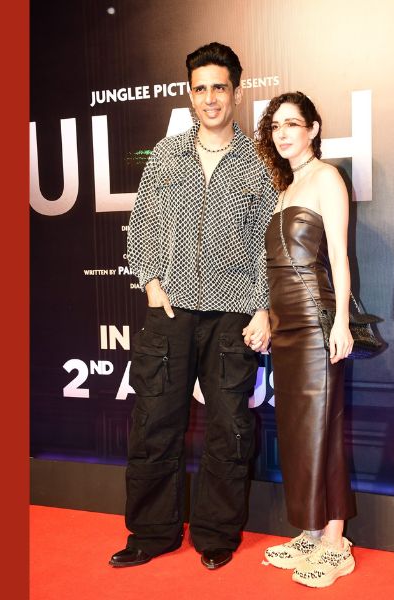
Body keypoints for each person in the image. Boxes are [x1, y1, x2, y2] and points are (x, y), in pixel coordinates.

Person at [109, 42, 277, 571]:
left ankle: (216, 533)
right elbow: (142, 223)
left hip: (233, 313)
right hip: (170, 310)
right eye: (200, 88)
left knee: (229, 428)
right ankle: (151, 532)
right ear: (189, 94)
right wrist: (151, 281)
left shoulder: (259, 164)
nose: (210, 98)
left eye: (219, 88)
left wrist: (262, 307)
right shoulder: (166, 154)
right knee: (154, 422)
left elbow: (267, 244)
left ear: (237, 92)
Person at [254, 91, 357, 588]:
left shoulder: (327, 178)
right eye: (276, 126)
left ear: (313, 129)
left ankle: (336, 544)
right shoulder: (285, 188)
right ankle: (311, 532)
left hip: (317, 320)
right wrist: (268, 317)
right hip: (286, 325)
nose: (283, 133)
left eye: (293, 123)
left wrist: (341, 322)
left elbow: (338, 256)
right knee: (298, 431)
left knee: (323, 429)